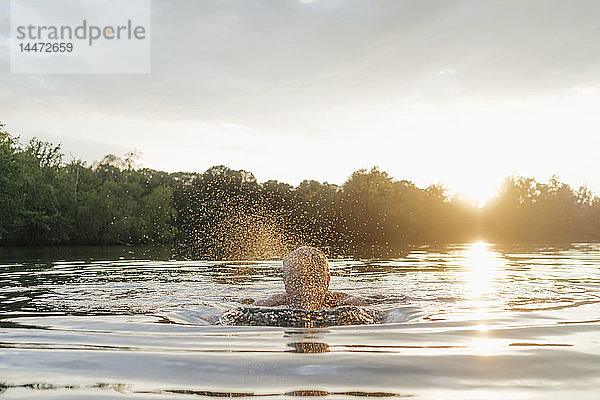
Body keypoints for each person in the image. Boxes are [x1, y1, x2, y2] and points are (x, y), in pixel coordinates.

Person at [255, 246, 365, 310]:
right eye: (298, 281)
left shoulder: (347, 303)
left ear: (327, 281)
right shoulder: (268, 305)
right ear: (285, 283)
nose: (306, 289)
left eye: (314, 280)